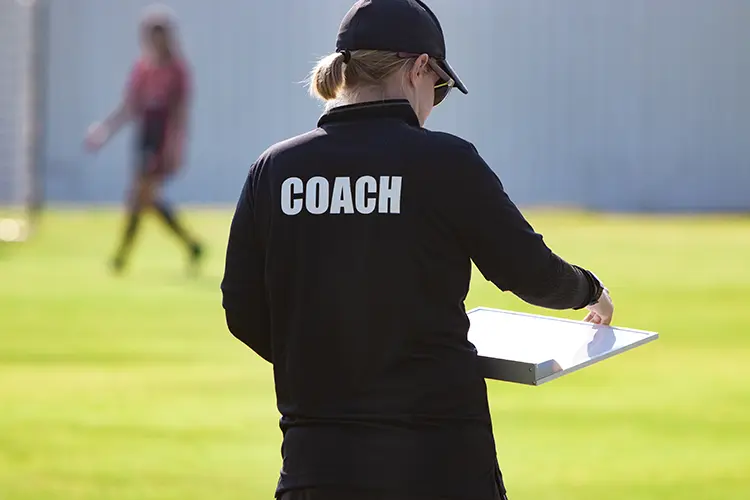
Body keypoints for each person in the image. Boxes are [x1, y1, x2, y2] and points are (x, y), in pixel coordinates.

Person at [221, 0, 614, 499]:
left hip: (317, 462)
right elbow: (530, 272)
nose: (434, 102)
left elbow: (242, 309)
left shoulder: (274, 170)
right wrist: (589, 290)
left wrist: (332, 366)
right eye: (440, 89)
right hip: (440, 460)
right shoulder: (446, 162)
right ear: (419, 69)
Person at [85, 5, 203, 274]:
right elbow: (130, 106)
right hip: (144, 136)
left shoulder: (177, 70)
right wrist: (105, 130)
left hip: (161, 138)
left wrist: (175, 147)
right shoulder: (143, 68)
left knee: (140, 196)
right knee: (144, 198)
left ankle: (121, 257)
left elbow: (180, 113)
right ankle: (190, 245)